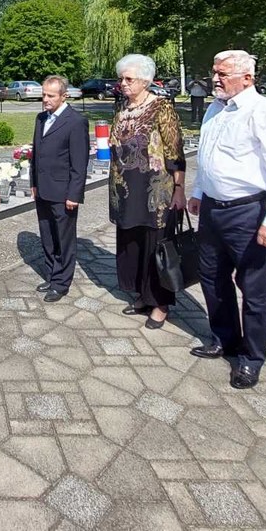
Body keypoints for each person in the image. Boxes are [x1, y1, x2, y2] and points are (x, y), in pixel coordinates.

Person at [188, 49, 266, 390]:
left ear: (247, 78)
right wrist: (198, 190)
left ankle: (251, 358)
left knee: (253, 289)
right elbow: (208, 157)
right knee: (212, 278)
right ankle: (224, 338)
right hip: (212, 209)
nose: (215, 79)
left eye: (223, 74)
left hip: (249, 213)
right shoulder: (214, 109)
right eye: (214, 72)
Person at [109, 55, 187, 330]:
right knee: (133, 243)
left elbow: (174, 152)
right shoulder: (122, 108)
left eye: (129, 79)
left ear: (145, 81)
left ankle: (161, 303)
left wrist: (179, 188)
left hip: (155, 190)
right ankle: (142, 294)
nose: (123, 84)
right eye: (122, 79)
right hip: (127, 190)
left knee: (156, 245)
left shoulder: (161, 108)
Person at [30, 75, 90, 302]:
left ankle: (62, 283)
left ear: (64, 96)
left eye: (50, 96)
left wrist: (74, 194)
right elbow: (37, 154)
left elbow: (79, 162)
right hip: (43, 190)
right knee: (47, 236)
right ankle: (52, 274)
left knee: (64, 240)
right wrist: (34, 183)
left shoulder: (75, 122)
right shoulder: (40, 118)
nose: (45, 99)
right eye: (43, 95)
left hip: (63, 193)